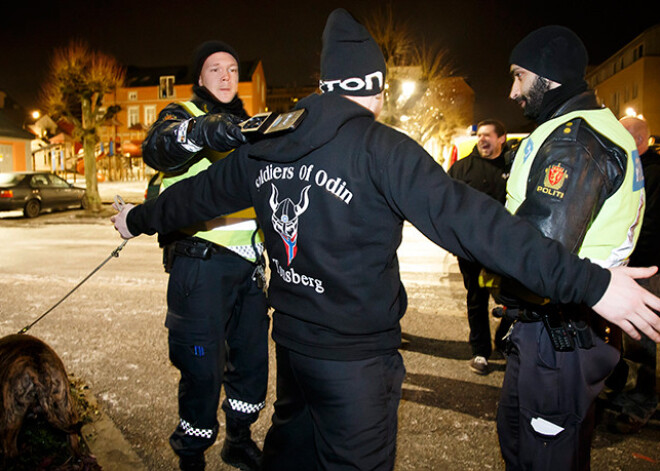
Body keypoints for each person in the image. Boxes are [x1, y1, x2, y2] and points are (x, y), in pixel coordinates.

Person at [112, 10, 660, 471]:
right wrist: (593, 285)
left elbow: (195, 198)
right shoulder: (383, 149)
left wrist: (137, 219)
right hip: (357, 364)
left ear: (326, 82)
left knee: (291, 454)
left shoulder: (267, 141)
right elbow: (478, 227)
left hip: (295, 348)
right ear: (373, 88)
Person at [495, 25, 648, 470]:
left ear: (550, 76)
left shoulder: (573, 141)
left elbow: (539, 254)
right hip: (563, 326)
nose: (512, 91)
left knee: (545, 457)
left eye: (518, 76)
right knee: (530, 443)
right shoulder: (575, 129)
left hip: (559, 334)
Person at [140, 41, 269, 471]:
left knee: (251, 366)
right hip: (201, 263)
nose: (227, 76)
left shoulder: (252, 125)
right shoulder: (183, 115)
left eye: (233, 69)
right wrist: (199, 133)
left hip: (248, 268)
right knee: (202, 371)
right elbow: (157, 148)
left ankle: (238, 439)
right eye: (216, 69)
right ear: (200, 78)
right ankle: (191, 454)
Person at [605, 116, 659, 434]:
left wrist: (628, 261)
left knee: (644, 336)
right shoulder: (637, 170)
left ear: (638, 140)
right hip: (635, 267)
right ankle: (636, 393)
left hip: (648, 268)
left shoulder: (652, 174)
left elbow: (648, 226)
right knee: (634, 336)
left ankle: (644, 401)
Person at [448, 119, 514, 374]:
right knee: (476, 299)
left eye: (488, 135)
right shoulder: (462, 168)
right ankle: (480, 352)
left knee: (511, 299)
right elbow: (447, 205)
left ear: (501, 138)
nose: (482, 140)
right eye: (480, 136)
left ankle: (504, 339)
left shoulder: (514, 167)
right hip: (471, 248)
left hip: (505, 248)